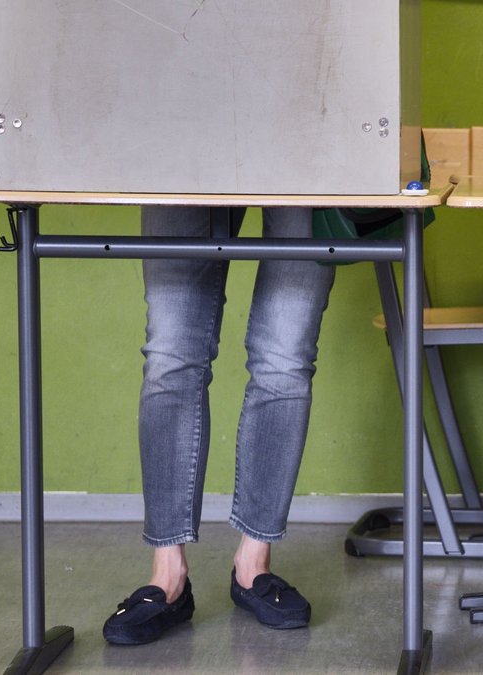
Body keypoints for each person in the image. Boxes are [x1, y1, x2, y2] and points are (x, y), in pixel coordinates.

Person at [102, 206, 336, 645]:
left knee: (284, 360)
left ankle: (253, 565)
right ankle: (167, 573)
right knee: (171, 356)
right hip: (180, 143)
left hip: (302, 145)